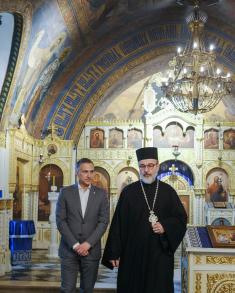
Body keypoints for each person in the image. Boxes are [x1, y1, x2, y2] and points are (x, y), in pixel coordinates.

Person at [102, 147, 187, 293]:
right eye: (142, 166)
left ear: (157, 166)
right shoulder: (128, 192)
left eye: (150, 165)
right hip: (132, 254)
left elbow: (181, 218)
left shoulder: (168, 192)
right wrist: (114, 252)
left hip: (159, 255)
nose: (146, 170)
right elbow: (118, 223)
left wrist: (165, 226)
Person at [56, 158, 109, 293]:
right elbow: (61, 221)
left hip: (91, 251)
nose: (89, 175)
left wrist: (88, 244)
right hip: (69, 250)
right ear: (77, 173)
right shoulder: (65, 193)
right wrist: (75, 245)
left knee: (87, 290)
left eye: (91, 172)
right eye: (85, 172)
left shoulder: (102, 194)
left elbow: (103, 221)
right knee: (67, 289)